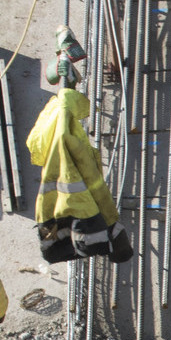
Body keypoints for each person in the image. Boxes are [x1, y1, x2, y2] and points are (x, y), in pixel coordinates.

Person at [25, 28, 132, 265]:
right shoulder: (65, 132)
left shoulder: (51, 123)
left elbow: (37, 148)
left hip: (55, 212)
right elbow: (93, 184)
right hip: (79, 211)